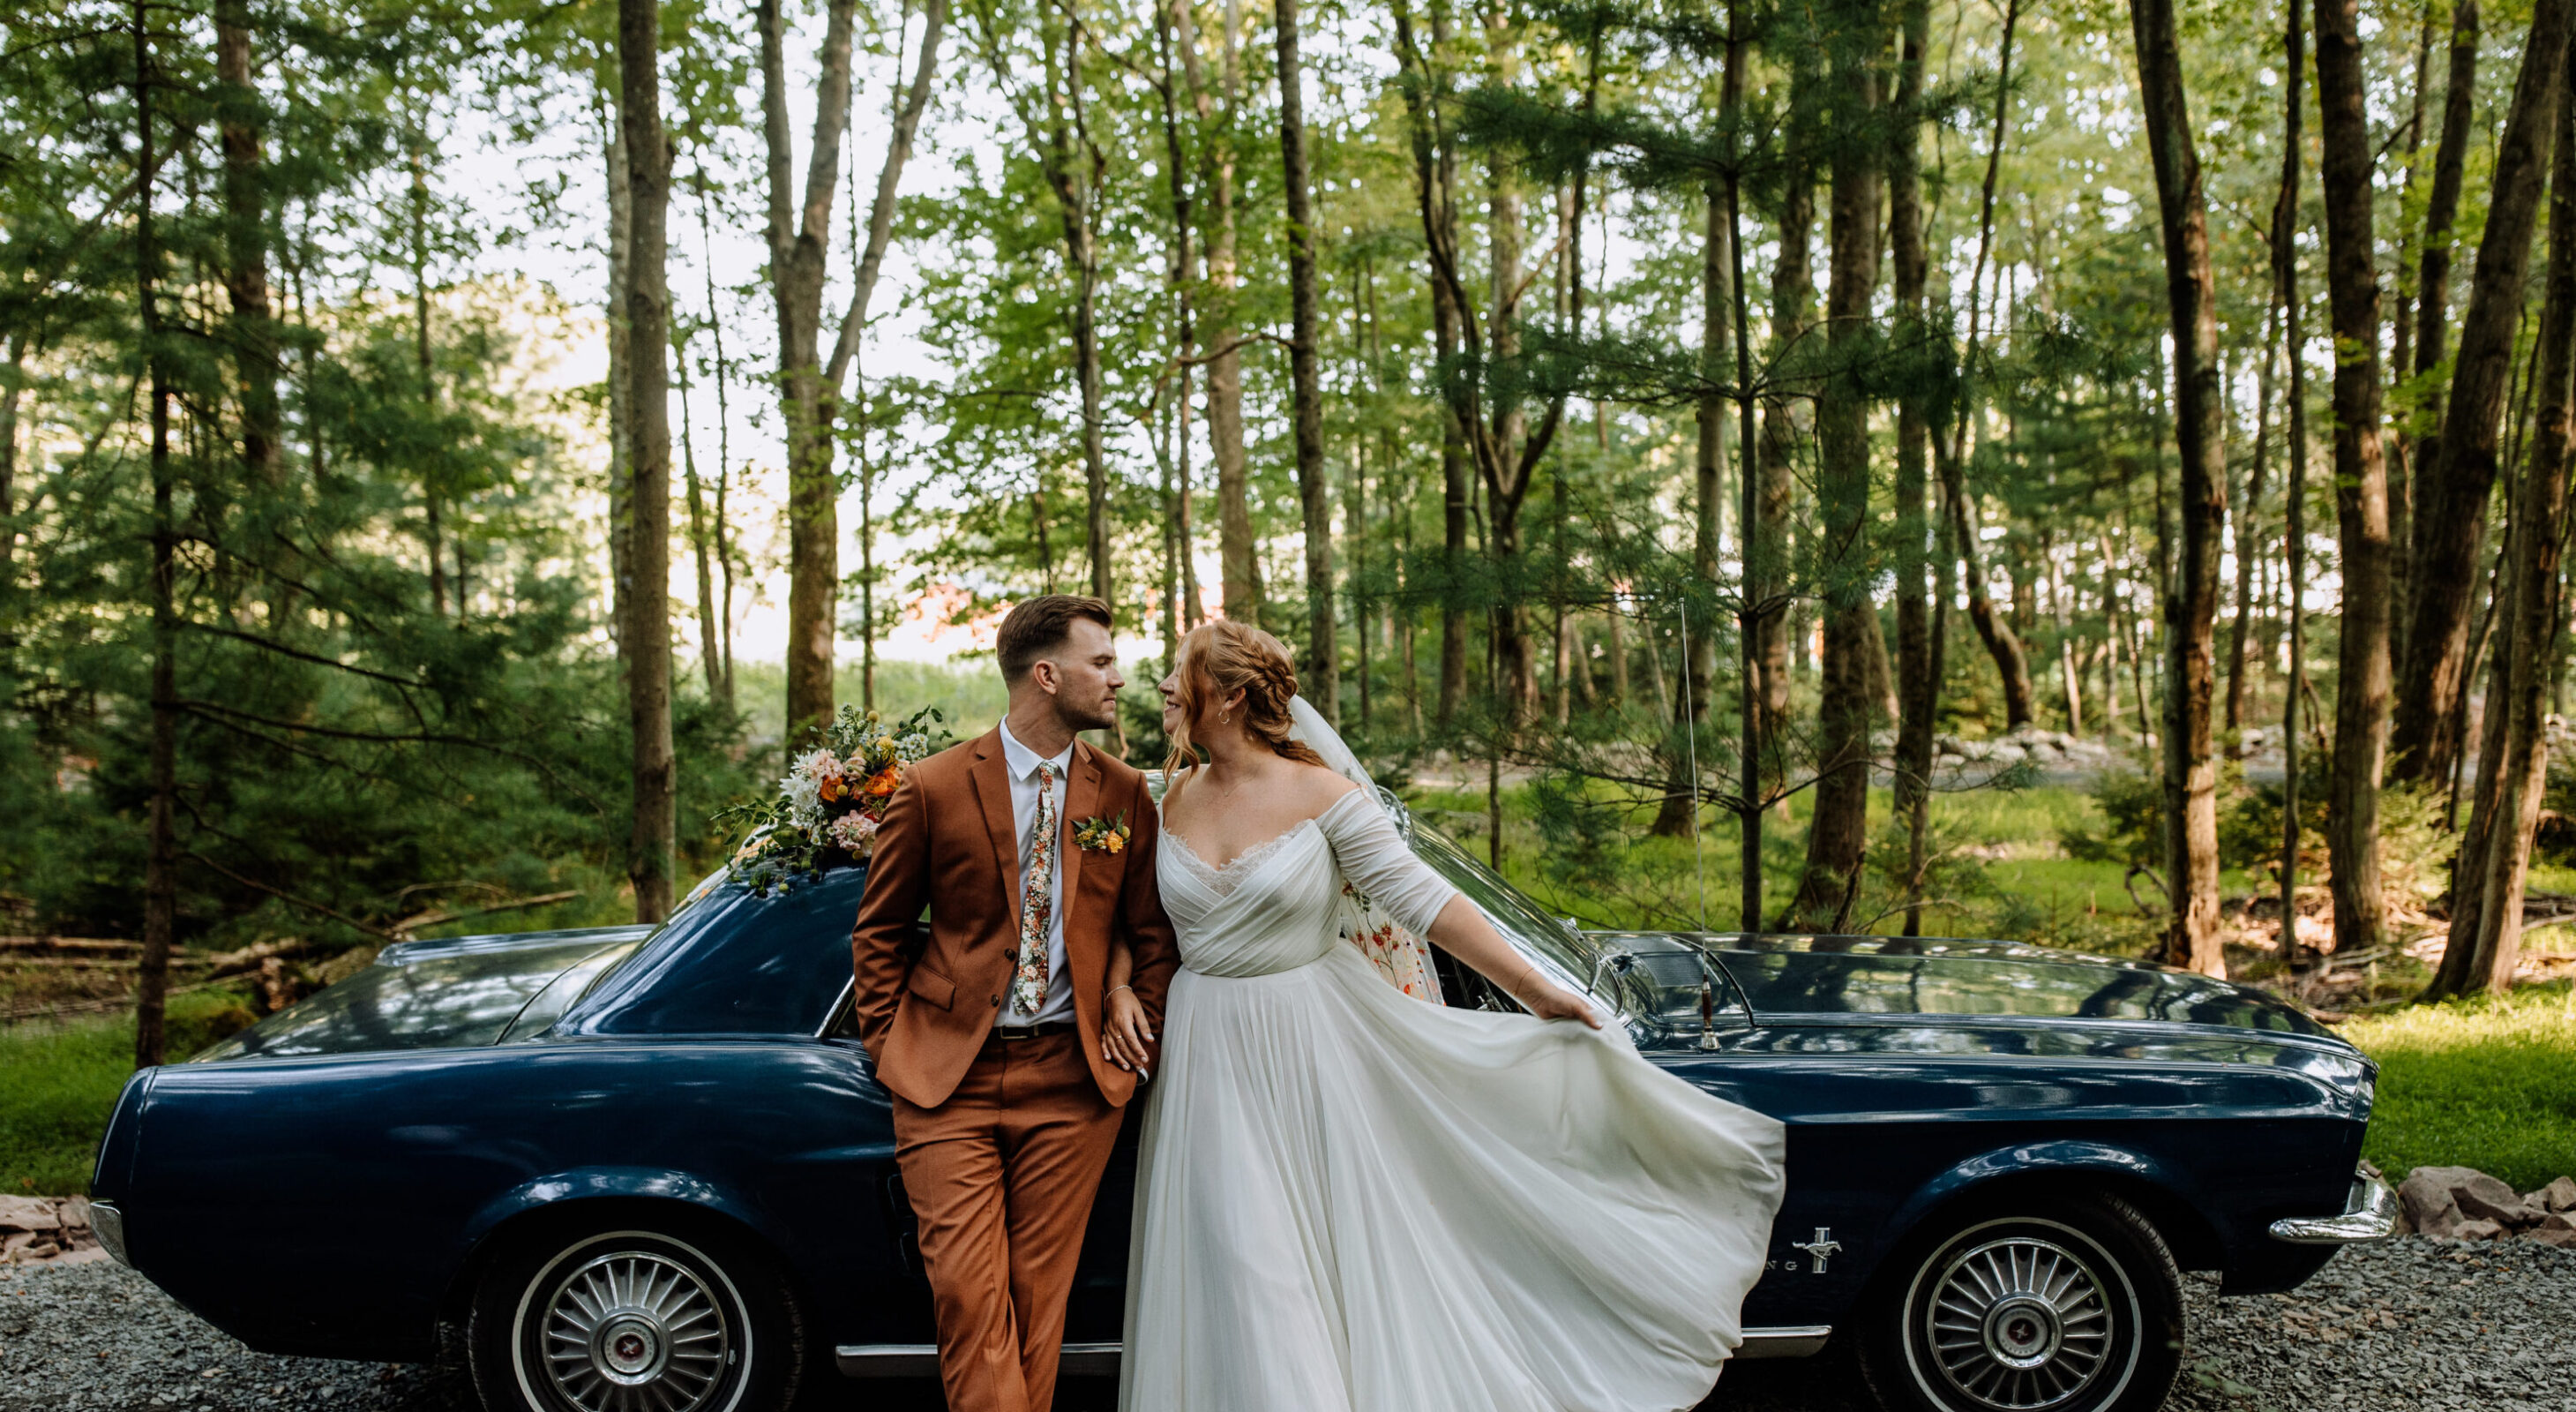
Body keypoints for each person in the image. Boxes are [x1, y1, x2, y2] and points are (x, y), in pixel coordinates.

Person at [1103, 619, 1786, 1412]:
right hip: (1204, 1050)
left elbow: (1424, 899)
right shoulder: (1173, 793)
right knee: (1228, 1257)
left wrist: (1538, 991)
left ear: (1226, 696)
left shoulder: (1323, 795)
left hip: (1310, 1043)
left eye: (1175, 676)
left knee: (1291, 1265)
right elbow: (1136, 918)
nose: (1157, 690)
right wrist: (1121, 983)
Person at [849, 595, 1179, 1412]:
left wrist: (1134, 1018)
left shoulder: (1124, 794)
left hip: (1075, 1081)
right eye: (1100, 662)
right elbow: (879, 933)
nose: (1118, 678)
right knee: (967, 1297)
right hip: (946, 1080)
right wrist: (892, 1047)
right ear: (1045, 674)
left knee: (1040, 1304)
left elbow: (1152, 933)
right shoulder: (932, 788)